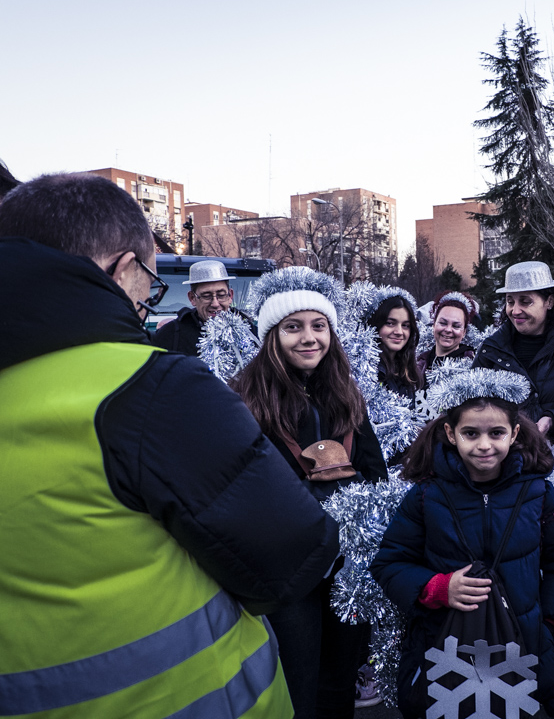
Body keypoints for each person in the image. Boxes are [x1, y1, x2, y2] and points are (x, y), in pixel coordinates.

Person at [0, 173, 339, 718]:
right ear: (124, 268)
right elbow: (292, 556)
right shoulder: (150, 387)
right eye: (151, 284)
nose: (146, 303)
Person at [370, 369, 554, 719]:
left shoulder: (538, 493)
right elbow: (390, 563)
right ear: (451, 434)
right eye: (471, 433)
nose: (484, 445)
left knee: (515, 709)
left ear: (514, 433)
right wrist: (437, 588)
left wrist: (550, 623)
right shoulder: (426, 495)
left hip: (524, 640)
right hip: (444, 640)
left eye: (496, 433)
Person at [232, 268, 388, 719]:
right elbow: (238, 486)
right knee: (296, 681)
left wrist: (356, 505)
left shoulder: (345, 393)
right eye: (293, 327)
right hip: (288, 568)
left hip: (345, 567)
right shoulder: (245, 398)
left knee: (339, 681)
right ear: (272, 335)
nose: (309, 338)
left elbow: (375, 474)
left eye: (319, 326)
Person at [473, 261, 554, 445]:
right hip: (503, 458)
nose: (515, 310)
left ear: (549, 302)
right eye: (510, 301)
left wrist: (553, 420)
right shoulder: (491, 350)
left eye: (525, 301)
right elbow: (471, 409)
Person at [152, 259, 255, 355]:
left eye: (221, 295)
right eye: (206, 296)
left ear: (230, 296)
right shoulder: (172, 335)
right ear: (192, 298)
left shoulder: (250, 332)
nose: (215, 304)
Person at [416, 290, 478, 388]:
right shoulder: (419, 363)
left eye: (456, 326)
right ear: (434, 325)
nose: (448, 330)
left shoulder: (474, 365)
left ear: (464, 332)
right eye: (443, 323)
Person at [367, 291, 421, 400]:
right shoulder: (366, 371)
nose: (399, 332)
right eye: (390, 323)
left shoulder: (408, 371)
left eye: (405, 325)